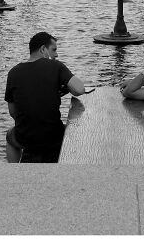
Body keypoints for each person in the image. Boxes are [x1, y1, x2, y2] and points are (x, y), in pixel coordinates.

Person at [5, 32, 88, 163]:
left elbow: (12, 111)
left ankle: (15, 173)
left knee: (10, 136)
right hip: (53, 136)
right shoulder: (56, 66)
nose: (56, 55)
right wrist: (66, 87)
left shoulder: (13, 72)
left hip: (26, 137)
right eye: (53, 50)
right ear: (43, 49)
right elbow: (79, 89)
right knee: (74, 128)